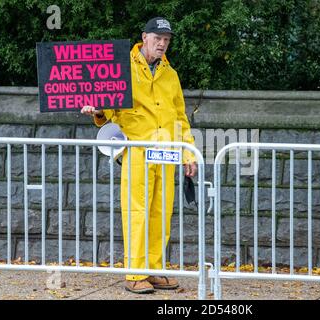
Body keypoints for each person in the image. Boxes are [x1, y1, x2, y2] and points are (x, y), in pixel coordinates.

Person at [81, 17, 197, 294]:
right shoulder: (122, 68)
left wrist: (187, 153)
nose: (162, 43)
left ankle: (154, 270)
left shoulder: (171, 74)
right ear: (144, 37)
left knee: (161, 213)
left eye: (166, 39)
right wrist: (97, 111)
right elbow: (106, 111)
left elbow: (179, 117)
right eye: (157, 38)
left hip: (167, 153)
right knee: (137, 212)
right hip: (137, 152)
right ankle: (135, 272)